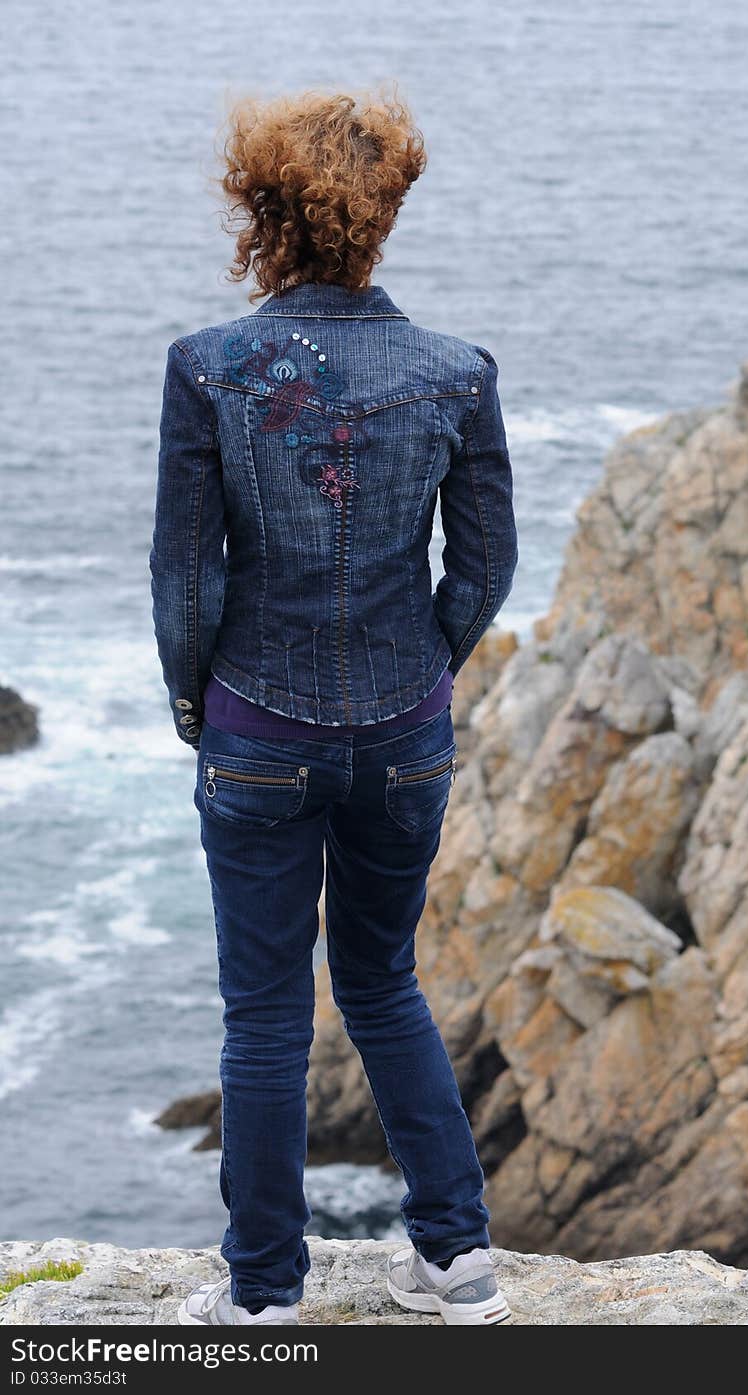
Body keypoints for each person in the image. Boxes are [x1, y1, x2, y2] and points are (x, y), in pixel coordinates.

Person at [149, 87, 518, 1327]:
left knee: (262, 1012)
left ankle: (262, 1298)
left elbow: (186, 575)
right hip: (406, 731)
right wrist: (429, 663)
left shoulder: (208, 368)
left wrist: (195, 706)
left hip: (258, 724)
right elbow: (482, 569)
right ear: (386, 210)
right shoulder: (458, 376)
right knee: (381, 983)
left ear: (261, 208)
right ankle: (458, 1264)